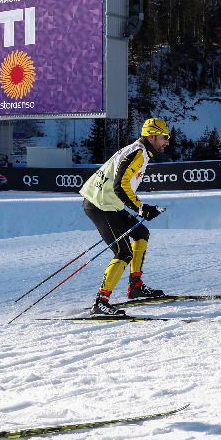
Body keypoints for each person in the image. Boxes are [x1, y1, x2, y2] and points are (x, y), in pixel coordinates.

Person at [79, 118, 171, 316]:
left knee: (141, 233)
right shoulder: (138, 152)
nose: (167, 141)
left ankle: (135, 287)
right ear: (152, 136)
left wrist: (142, 208)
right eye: (164, 137)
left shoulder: (140, 151)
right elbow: (120, 186)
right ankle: (100, 302)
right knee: (123, 253)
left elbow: (122, 186)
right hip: (100, 204)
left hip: (109, 203)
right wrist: (141, 208)